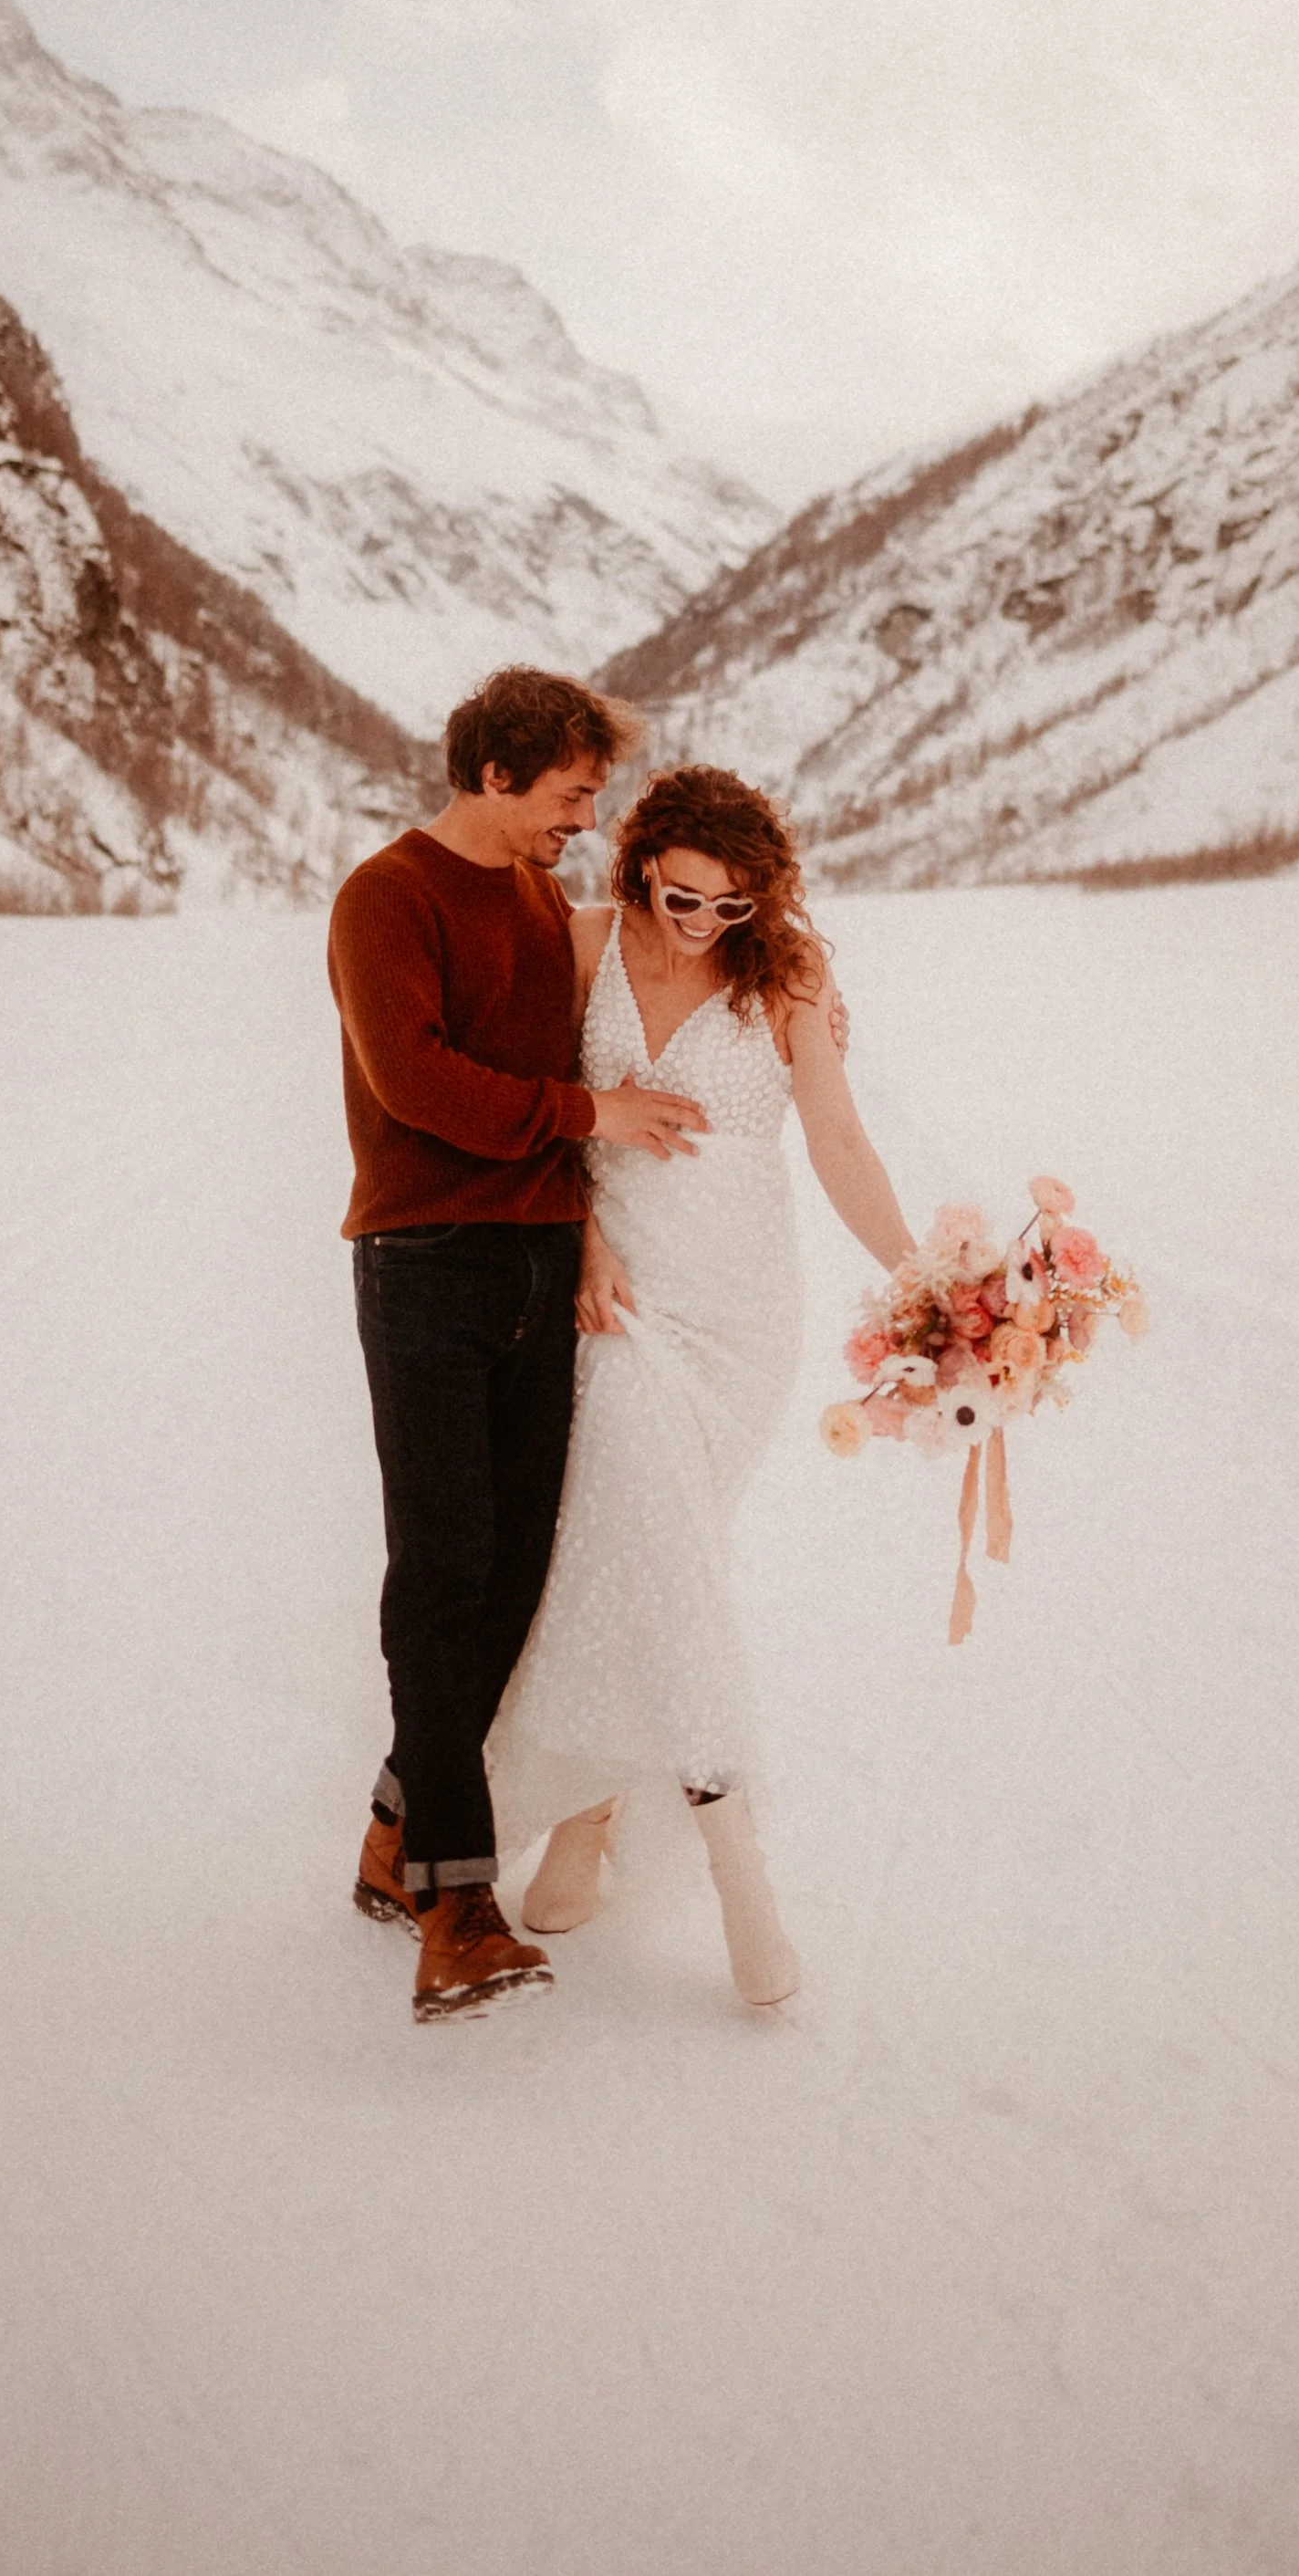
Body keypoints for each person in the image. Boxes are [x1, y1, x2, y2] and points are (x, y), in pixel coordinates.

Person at [487, 764, 913, 2008]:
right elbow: (544, 1114)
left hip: (740, 1314)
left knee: (656, 1542)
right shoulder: (580, 945)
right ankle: (730, 1865)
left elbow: (836, 1138)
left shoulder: (785, 974)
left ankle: (597, 1810)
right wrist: (580, 1235)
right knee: (634, 1526)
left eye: (730, 906)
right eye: (682, 897)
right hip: (619, 1294)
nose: (700, 924)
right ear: (640, 864)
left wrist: (925, 1279)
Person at [327, 665, 710, 2024]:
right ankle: (456, 1902)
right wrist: (589, 1114)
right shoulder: (387, 895)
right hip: (425, 1262)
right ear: (495, 772)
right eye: (567, 795)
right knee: (440, 1574)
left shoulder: (544, 900)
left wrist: (795, 981)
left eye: (592, 799)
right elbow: (414, 1079)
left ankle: (398, 1822)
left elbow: (673, 936)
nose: (581, 821)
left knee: (513, 1576)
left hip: (541, 1266)